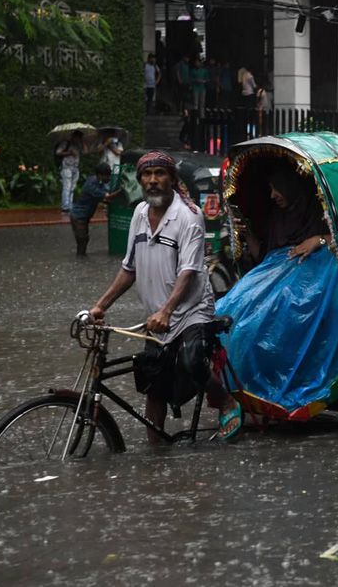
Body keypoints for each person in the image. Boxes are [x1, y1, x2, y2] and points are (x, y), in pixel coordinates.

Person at [88, 151, 243, 442]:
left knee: (191, 359)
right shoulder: (139, 214)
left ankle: (224, 400)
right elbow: (128, 268)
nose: (153, 181)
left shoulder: (189, 215)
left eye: (160, 174)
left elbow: (189, 269)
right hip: (157, 313)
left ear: (172, 179)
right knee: (152, 381)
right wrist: (100, 306)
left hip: (192, 308)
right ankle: (155, 449)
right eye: (147, 175)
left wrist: (168, 311)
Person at [214, 162, 338, 419]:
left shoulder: (319, 216)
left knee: (254, 326)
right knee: (226, 313)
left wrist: (319, 240)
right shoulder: (278, 216)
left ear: (291, 187)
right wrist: (247, 235)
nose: (272, 196)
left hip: (308, 285)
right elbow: (263, 256)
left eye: (276, 189)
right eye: (270, 190)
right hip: (273, 277)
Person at [69, 163, 119, 256]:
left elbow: (102, 198)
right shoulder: (91, 185)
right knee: (82, 238)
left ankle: (81, 258)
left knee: (84, 238)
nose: (108, 179)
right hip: (79, 215)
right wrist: (121, 190)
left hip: (84, 214)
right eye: (107, 176)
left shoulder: (98, 182)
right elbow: (107, 197)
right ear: (100, 175)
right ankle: (80, 259)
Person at [54, 130, 83, 215]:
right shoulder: (65, 143)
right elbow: (58, 152)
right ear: (74, 136)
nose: (79, 140)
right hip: (66, 167)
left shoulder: (78, 145)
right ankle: (65, 207)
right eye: (78, 138)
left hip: (75, 168)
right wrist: (69, 153)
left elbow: (85, 151)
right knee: (67, 187)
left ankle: (70, 206)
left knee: (72, 188)